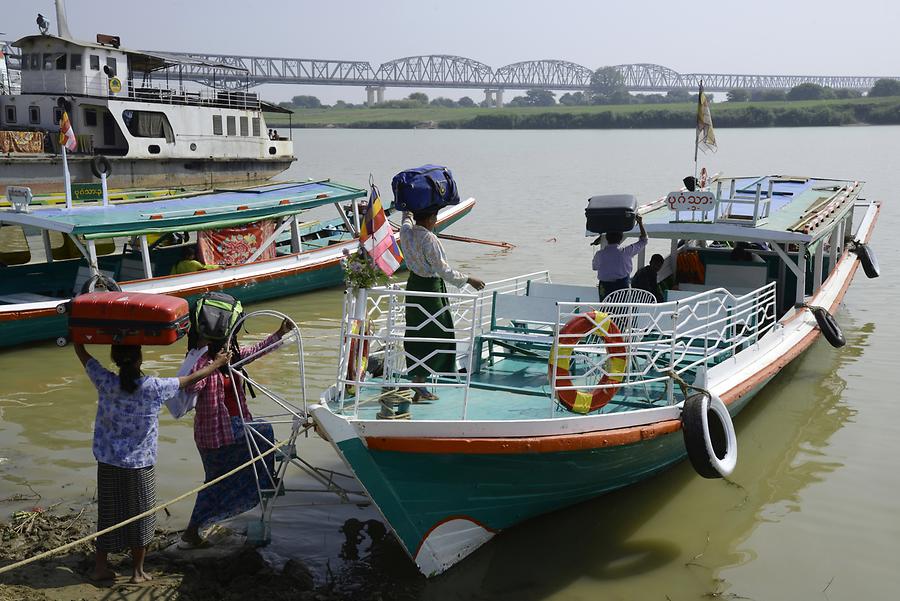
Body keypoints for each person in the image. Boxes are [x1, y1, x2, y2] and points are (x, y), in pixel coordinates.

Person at [73, 343, 228, 583]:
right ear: (139, 361)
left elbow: (86, 358)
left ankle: (100, 567)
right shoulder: (154, 387)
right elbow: (189, 380)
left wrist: (76, 338)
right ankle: (137, 572)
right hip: (140, 464)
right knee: (142, 515)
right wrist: (216, 364)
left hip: (108, 461)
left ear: (115, 360)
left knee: (108, 514)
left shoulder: (106, 382)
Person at [180, 318, 295, 548]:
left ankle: (193, 531)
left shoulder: (231, 362)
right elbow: (189, 385)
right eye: (225, 345)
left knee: (217, 483)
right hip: (214, 435)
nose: (229, 349)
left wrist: (279, 332)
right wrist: (212, 362)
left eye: (230, 345)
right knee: (263, 431)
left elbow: (256, 351)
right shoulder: (204, 364)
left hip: (233, 429)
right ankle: (265, 480)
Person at [400, 208, 485, 402]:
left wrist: (407, 210)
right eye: (435, 218)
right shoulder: (429, 238)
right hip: (430, 290)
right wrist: (469, 279)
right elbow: (443, 270)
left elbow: (405, 219)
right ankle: (421, 380)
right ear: (431, 218)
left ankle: (419, 379)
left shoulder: (406, 232)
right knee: (440, 334)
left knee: (416, 332)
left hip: (413, 287)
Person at [591, 214, 648, 299]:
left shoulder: (599, 254)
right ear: (621, 238)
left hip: (604, 288)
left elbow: (594, 267)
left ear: (606, 238)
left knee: (605, 310)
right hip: (621, 288)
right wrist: (640, 223)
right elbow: (644, 240)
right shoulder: (626, 251)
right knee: (622, 309)